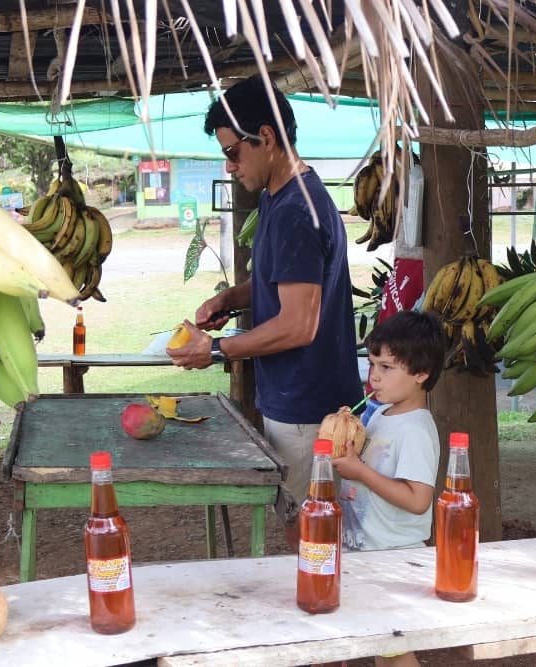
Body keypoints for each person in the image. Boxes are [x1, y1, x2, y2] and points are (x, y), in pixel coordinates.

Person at [167, 75, 363, 548]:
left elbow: (298, 325)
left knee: (312, 539)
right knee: (311, 533)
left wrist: (217, 349)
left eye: (234, 152)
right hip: (298, 401)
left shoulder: (296, 210)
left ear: (267, 138)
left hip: (308, 410)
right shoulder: (281, 196)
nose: (229, 165)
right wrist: (230, 300)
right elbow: (283, 283)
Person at [332, 310, 445, 667]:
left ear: (421, 374)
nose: (374, 377)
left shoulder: (416, 430)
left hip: (394, 556)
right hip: (365, 549)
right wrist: (343, 432)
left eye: (386, 367)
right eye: (372, 364)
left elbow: (418, 500)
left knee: (394, 649)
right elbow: (364, 458)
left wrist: (359, 471)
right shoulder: (381, 413)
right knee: (383, 644)